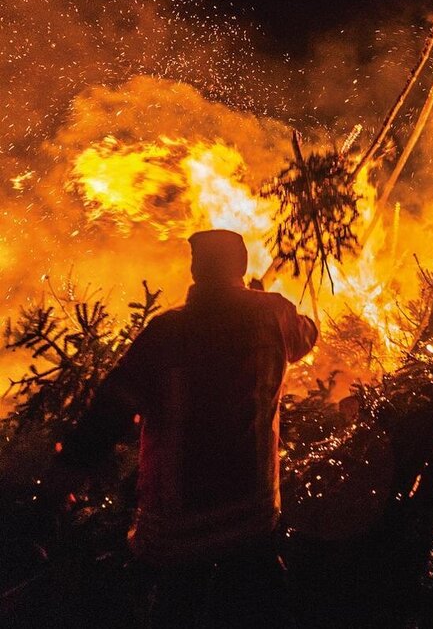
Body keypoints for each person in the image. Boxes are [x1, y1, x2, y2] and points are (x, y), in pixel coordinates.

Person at [59, 229, 317, 627]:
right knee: (261, 607)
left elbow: (113, 406)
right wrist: (264, 300)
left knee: (179, 610)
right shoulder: (273, 314)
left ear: (196, 270)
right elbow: (307, 334)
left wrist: (71, 468)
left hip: (179, 527)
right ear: (242, 266)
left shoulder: (167, 331)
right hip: (253, 511)